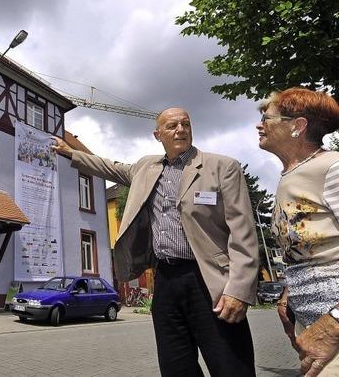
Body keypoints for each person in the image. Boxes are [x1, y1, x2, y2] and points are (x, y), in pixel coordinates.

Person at [52, 107, 259, 376]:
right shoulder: (146, 167)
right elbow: (110, 167)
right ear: (157, 134)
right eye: (172, 126)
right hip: (166, 280)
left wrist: (238, 290)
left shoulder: (222, 167)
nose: (181, 130)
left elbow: (243, 232)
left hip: (209, 279)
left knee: (230, 363)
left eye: (185, 123)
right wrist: (71, 153)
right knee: (176, 365)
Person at [256, 87, 339, 377]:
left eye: (267, 117)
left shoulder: (332, 168)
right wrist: (287, 298)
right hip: (311, 325)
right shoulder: (291, 174)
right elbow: (304, 251)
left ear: (297, 126)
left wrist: (334, 324)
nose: (259, 124)